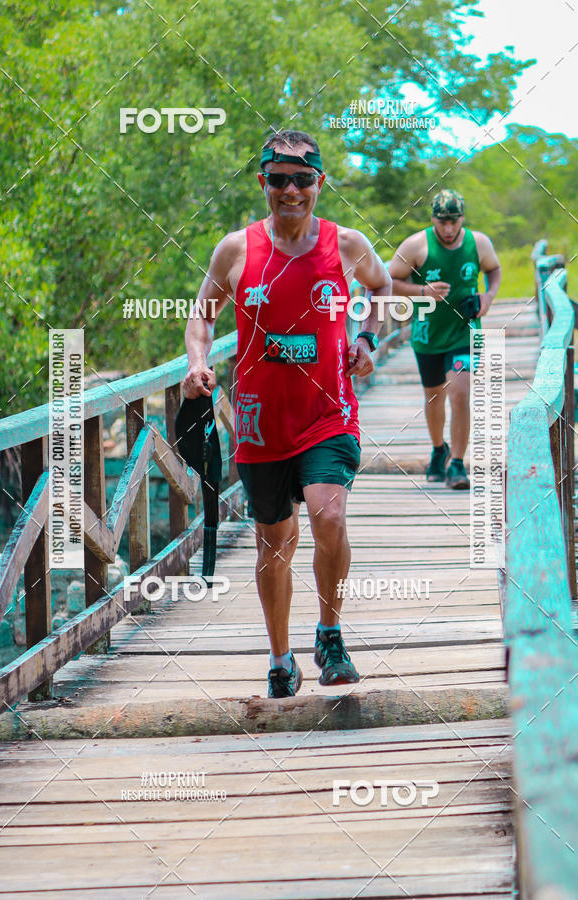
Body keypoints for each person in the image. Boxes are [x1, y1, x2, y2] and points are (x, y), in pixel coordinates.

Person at [184, 129, 391, 698]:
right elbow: (201, 316)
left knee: (329, 515)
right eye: (279, 180)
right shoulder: (236, 249)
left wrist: (367, 338)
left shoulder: (346, 245)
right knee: (273, 542)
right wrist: (198, 361)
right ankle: (281, 658)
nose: (291, 190)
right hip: (259, 422)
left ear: (320, 183)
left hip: (328, 411)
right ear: (264, 184)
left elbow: (381, 288)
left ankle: (330, 634)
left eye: (303, 179)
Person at [389, 190, 502, 488]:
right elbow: (388, 281)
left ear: (463, 218)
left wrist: (487, 297)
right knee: (434, 396)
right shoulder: (416, 245)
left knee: (460, 393)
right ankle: (439, 449)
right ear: (433, 219)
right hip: (427, 334)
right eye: (442, 222)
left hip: (465, 331)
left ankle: (457, 464)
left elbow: (494, 269)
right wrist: (423, 292)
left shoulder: (478, 243)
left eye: (454, 221)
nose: (448, 229)